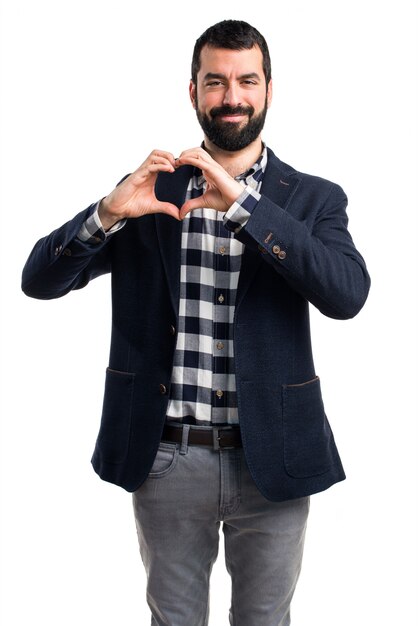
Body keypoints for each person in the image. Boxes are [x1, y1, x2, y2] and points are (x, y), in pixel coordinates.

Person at [22, 19, 370, 626]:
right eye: (215, 82)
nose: (230, 96)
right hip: (166, 458)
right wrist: (107, 212)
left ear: (268, 89)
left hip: (275, 462)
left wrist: (244, 205)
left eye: (245, 81)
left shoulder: (313, 198)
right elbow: (39, 280)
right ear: (193, 93)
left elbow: (346, 294)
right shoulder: (150, 193)